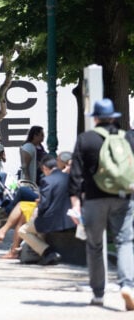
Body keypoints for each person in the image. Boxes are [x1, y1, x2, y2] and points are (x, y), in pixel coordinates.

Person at [69, 98, 134, 309]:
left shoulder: (86, 139)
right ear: (114, 117)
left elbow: (76, 175)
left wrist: (76, 203)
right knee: (125, 242)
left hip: (94, 200)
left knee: (96, 245)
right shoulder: (129, 138)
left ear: (95, 118)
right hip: (123, 197)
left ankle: (98, 293)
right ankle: (128, 286)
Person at [17, 155, 76, 265]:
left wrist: (39, 204)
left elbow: (44, 205)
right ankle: (42, 255)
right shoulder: (68, 177)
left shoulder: (47, 180)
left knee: (23, 230)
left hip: (53, 221)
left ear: (44, 168)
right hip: (70, 219)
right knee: (37, 227)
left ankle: (48, 252)